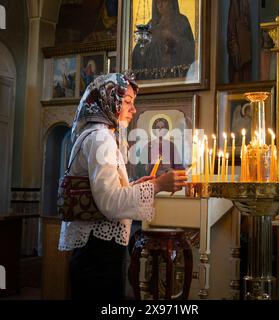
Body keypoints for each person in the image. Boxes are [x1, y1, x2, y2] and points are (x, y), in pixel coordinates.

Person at [58, 73, 187, 300]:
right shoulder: (101, 138)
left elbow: (104, 191)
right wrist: (157, 185)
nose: (133, 109)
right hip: (97, 252)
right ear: (108, 100)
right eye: (127, 102)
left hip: (94, 249)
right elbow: (109, 203)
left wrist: (136, 185)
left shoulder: (96, 134)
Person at [132, 0, 195, 80]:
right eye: (158, 2)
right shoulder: (152, 24)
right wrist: (146, 46)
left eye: (164, 1)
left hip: (177, 74)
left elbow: (191, 49)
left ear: (171, 3)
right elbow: (139, 51)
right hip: (155, 76)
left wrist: (173, 38)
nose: (160, 5)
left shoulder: (182, 21)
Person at [227, 0, 252, 83]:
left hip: (245, 52)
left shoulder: (245, 4)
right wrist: (235, 52)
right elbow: (231, 32)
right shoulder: (235, 3)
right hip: (239, 56)